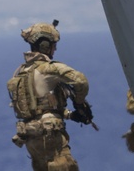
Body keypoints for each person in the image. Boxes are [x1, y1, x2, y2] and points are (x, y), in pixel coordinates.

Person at [7, 20, 93, 171]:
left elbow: (40, 108)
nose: (54, 50)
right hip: (51, 138)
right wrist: (79, 103)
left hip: (32, 139)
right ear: (45, 45)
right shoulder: (47, 69)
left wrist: (70, 115)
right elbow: (81, 80)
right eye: (53, 45)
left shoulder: (22, 73)